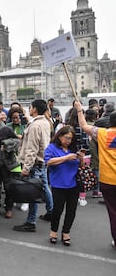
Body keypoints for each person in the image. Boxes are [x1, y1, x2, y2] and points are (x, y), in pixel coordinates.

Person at [74, 101, 116, 250]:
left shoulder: (103, 134)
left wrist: (79, 110)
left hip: (108, 180)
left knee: (113, 212)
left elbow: (83, 126)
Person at [13, 99, 54, 232]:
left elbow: (32, 148)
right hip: (42, 161)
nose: (29, 109)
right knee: (44, 188)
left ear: (35, 109)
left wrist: (26, 168)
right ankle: (52, 211)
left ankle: (31, 221)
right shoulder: (45, 122)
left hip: (34, 163)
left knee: (33, 192)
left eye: (30, 107)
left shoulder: (35, 125)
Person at [45, 126, 83, 246]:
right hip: (59, 184)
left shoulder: (73, 148)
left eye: (71, 139)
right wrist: (66, 157)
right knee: (57, 210)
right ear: (60, 136)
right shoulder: (52, 148)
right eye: (67, 138)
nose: (69, 141)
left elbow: (79, 165)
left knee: (71, 210)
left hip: (73, 184)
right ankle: (54, 231)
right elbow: (49, 162)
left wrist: (80, 158)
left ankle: (66, 232)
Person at [0, 126, 22, 219]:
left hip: (9, 168)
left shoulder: (13, 143)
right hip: (3, 167)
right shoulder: (15, 142)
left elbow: (11, 145)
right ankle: (5, 208)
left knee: (8, 189)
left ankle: (8, 208)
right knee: (2, 189)